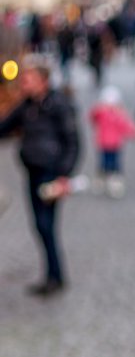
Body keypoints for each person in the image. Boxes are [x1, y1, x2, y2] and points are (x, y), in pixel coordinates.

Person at [0, 63, 80, 294]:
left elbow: (73, 142)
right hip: (33, 171)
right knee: (40, 225)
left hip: (50, 172)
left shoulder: (58, 105)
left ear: (43, 81)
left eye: (29, 79)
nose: (24, 84)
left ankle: (55, 276)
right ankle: (53, 274)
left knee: (46, 225)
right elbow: (4, 127)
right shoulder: (27, 105)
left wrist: (64, 174)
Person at [89, 85, 135, 198]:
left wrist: (134, 132)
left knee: (113, 163)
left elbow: (125, 125)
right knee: (105, 162)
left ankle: (111, 181)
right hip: (105, 144)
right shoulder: (104, 113)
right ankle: (105, 179)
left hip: (113, 144)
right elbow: (93, 117)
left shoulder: (117, 114)